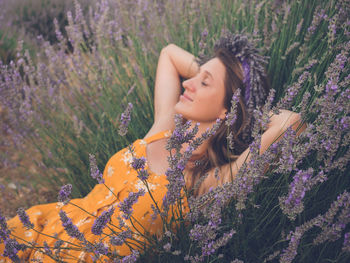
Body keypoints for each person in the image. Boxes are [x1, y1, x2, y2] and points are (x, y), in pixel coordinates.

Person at [0, 32, 305, 262]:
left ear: (228, 109)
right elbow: (170, 54)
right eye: (194, 77)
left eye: (204, 82)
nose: (189, 83)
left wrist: (247, 109)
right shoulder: (163, 128)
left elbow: (293, 122)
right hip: (41, 229)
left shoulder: (206, 183)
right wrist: (207, 73)